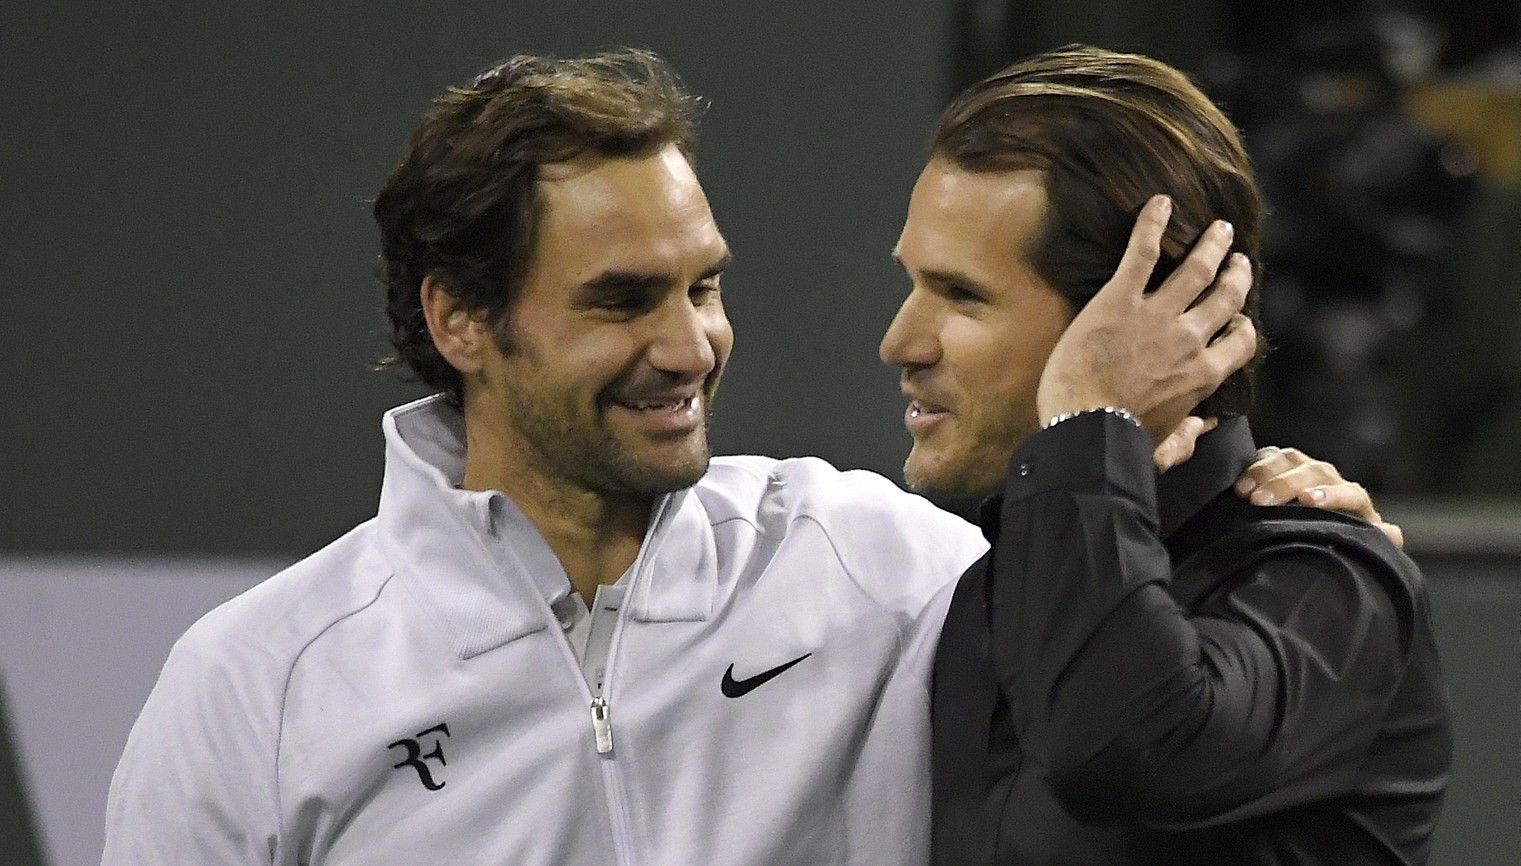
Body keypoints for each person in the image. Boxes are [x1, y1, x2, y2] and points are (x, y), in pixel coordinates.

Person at [103, 49, 1399, 865]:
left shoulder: (888, 563)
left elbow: (1114, 617)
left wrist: (1263, 522)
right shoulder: (255, 685)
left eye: (705, 287)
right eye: (622, 301)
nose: (690, 346)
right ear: (461, 319)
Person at [884, 46, 1453, 865]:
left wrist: (1089, 420)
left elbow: (1117, 750)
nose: (898, 341)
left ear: (1144, 316)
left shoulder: (1327, 584)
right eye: (912, 284)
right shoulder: (982, 588)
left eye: (962, 295)